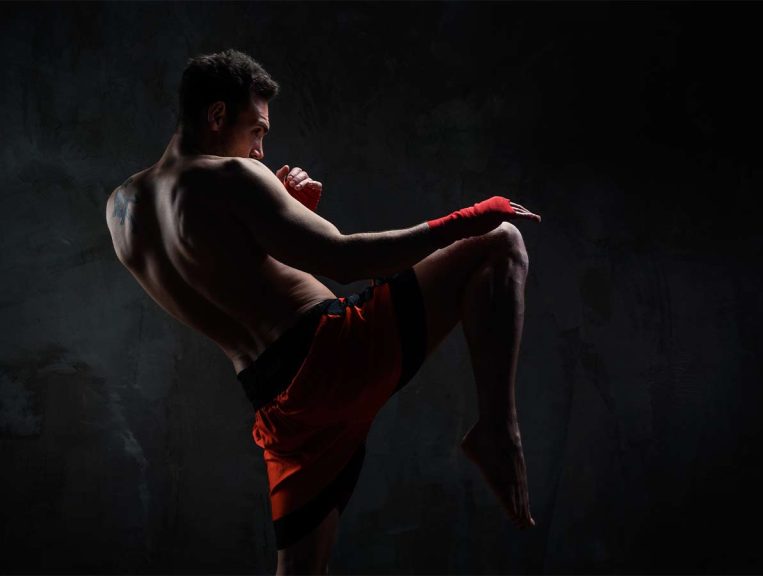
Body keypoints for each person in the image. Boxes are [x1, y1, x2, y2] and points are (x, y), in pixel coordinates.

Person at [106, 48, 542, 575]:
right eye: (256, 130)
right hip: (335, 355)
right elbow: (345, 259)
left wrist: (278, 215)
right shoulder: (231, 178)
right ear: (217, 116)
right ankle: (498, 429)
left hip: (278, 407)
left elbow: (224, 276)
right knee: (502, 240)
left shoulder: (122, 209)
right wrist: (472, 217)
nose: (261, 151)